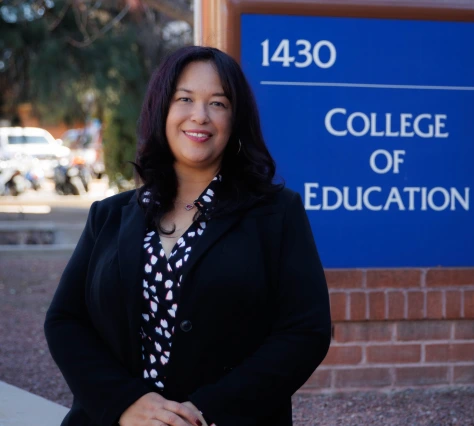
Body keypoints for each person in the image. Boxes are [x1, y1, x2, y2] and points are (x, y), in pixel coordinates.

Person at [44, 45, 332, 426]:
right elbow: (65, 320)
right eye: (185, 99)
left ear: (235, 119)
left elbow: (305, 331)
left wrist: (206, 411)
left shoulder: (276, 213)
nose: (200, 116)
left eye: (218, 103)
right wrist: (124, 403)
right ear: (162, 108)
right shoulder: (110, 215)